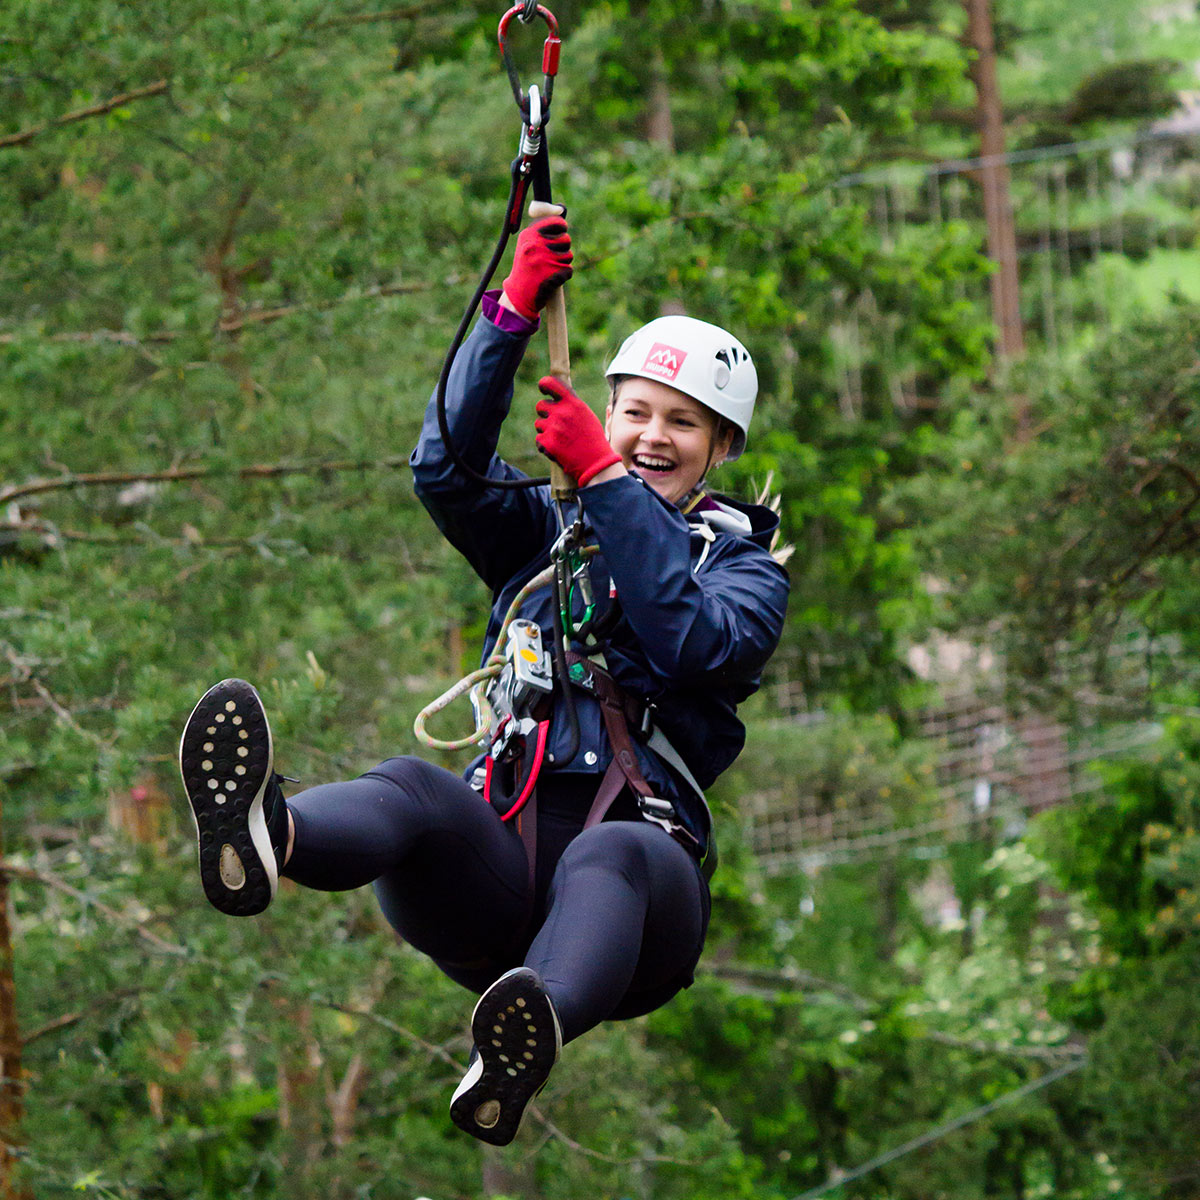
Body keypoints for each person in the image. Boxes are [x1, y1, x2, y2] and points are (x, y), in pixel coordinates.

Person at [178, 213, 790, 1146]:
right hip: (492, 875)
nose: (653, 437)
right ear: (608, 409)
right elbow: (448, 473)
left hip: (635, 909)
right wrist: (508, 315)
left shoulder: (745, 572)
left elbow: (692, 641)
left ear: (720, 450)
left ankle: (527, 1031)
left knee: (608, 858)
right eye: (635, 414)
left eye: (684, 424)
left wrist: (605, 479)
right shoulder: (551, 536)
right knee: (415, 786)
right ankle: (270, 835)